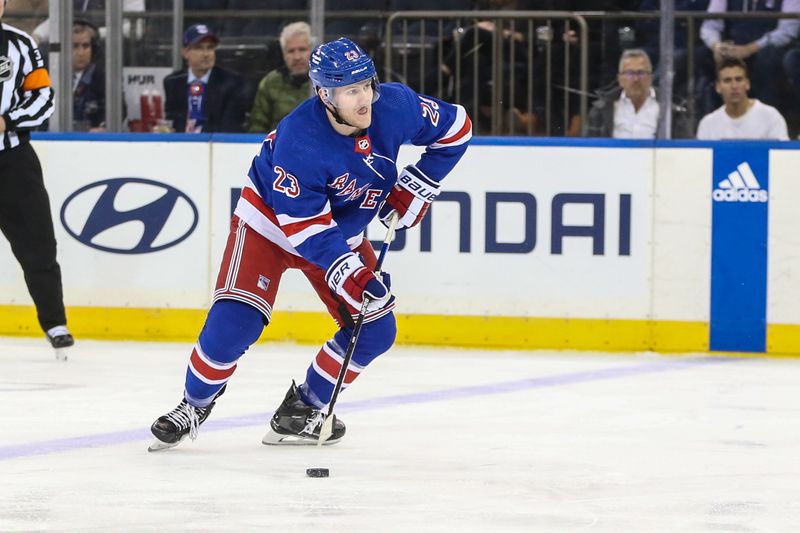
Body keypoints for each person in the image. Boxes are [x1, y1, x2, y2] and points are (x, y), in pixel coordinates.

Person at [148, 37, 472, 451]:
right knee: (235, 322)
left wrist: (420, 183)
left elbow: (457, 127)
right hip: (269, 225)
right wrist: (351, 274)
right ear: (324, 93)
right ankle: (193, 404)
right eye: (350, 91)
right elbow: (306, 229)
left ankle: (302, 410)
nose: (364, 100)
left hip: (340, 233)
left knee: (375, 330)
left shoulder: (396, 105)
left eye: (367, 85)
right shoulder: (299, 140)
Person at [0, 0, 74, 351]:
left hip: (13, 160)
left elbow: (44, 98)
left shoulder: (21, 44)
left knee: (38, 244)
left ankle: (54, 322)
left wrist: (6, 120)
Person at [699, 0, 800, 109]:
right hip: (732, 46)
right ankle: (707, 119)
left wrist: (750, 49)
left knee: (767, 59)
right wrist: (716, 46)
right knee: (702, 57)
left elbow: (787, 31)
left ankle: (766, 118)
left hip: (768, 48)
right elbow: (709, 26)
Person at [163, 24, 247, 133]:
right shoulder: (173, 83)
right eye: (199, 48)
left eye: (210, 48)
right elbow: (172, 120)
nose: (206, 54)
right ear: (185, 52)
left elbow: (230, 127)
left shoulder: (232, 83)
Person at [696, 57, 789, 140]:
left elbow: (782, 156)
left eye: (739, 79)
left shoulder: (771, 117)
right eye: (727, 80)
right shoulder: (708, 124)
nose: (734, 86)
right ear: (718, 87)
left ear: (747, 84)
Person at [247, 22, 313, 134]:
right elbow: (257, 127)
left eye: (302, 49)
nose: (297, 57)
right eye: (291, 51)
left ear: (312, 50)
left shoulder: (328, 82)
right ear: (283, 54)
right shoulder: (270, 83)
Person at [585, 49, 664, 138]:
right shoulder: (600, 110)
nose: (636, 79)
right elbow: (590, 148)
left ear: (651, 78)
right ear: (620, 79)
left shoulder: (670, 109)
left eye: (641, 73)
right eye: (630, 73)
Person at [72, 19, 105, 132]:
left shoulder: (102, 77)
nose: (81, 53)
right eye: (75, 46)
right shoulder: (51, 76)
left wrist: (103, 127)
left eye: (85, 46)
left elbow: (119, 109)